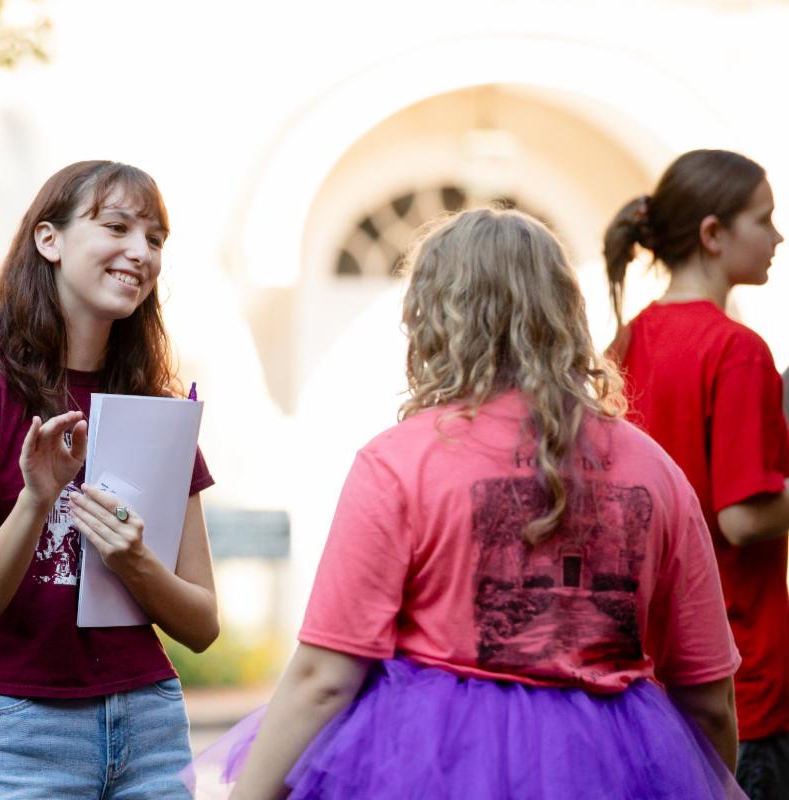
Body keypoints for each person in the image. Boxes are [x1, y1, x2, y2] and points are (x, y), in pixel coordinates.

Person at [194, 208, 745, 799]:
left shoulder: (401, 461)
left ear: (435, 315)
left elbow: (324, 680)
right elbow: (709, 699)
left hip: (434, 768)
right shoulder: (655, 470)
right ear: (565, 312)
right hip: (614, 768)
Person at [0, 160, 218, 798]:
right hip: (19, 730)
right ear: (49, 240)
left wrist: (136, 564)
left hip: (149, 725)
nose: (140, 252)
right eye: (117, 227)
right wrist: (37, 498)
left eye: (156, 239)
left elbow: (201, 623)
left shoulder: (158, 407)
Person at [603, 148, 789, 799]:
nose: (777, 237)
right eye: (763, 220)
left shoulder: (625, 345)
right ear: (713, 234)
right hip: (740, 677)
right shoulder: (737, 349)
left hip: (648, 673)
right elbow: (742, 516)